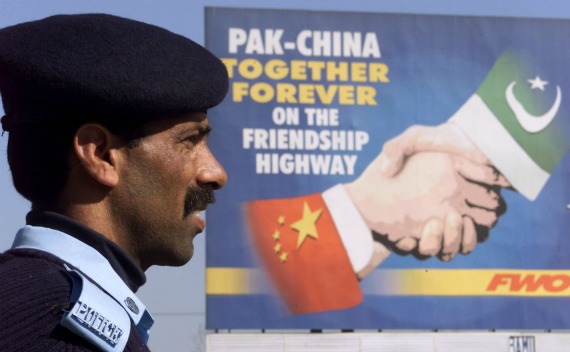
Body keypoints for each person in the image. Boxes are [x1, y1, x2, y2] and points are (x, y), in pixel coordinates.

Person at [0, 14, 228, 351]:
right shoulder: (56, 334)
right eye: (189, 142)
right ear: (100, 155)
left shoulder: (36, 308)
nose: (216, 173)